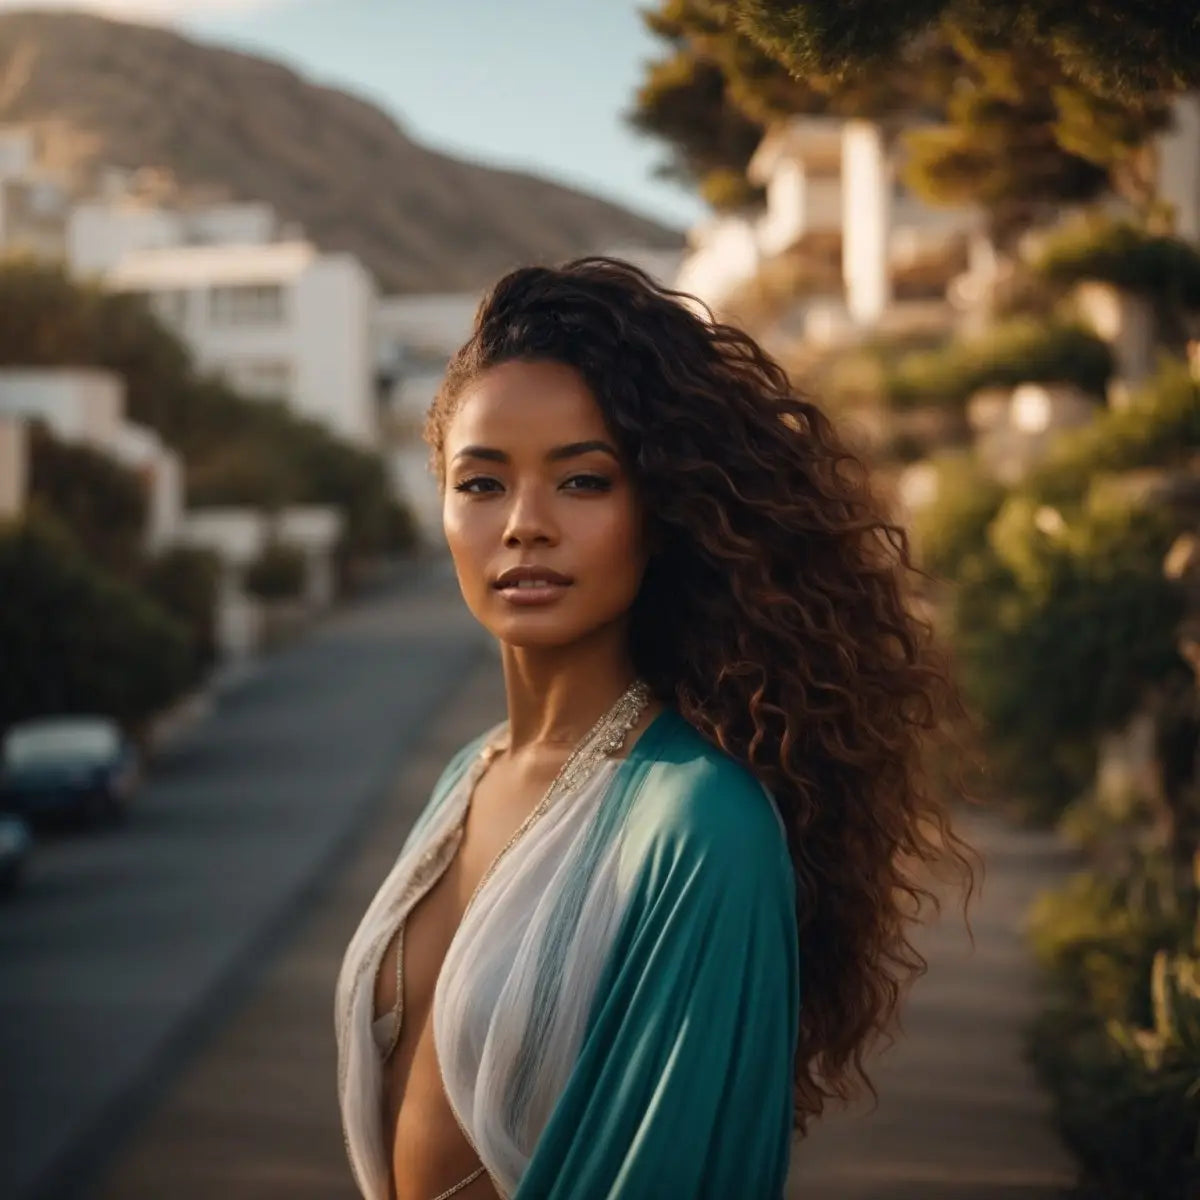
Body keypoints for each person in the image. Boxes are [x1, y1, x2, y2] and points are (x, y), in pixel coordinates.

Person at [334, 256, 977, 1200]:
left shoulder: (701, 825)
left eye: (584, 482)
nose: (524, 525)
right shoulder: (465, 780)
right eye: (481, 484)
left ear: (660, 514)